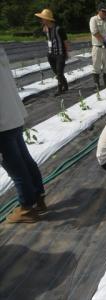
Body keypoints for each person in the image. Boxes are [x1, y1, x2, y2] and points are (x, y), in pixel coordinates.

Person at [0, 46, 46, 223]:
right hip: (13, 115)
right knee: (25, 160)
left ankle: (27, 208)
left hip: (2, 123)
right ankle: (39, 197)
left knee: (16, 169)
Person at [34, 8, 69, 96]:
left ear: (47, 19)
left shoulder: (59, 29)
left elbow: (65, 42)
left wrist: (66, 53)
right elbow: (49, 40)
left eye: (42, 18)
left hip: (60, 54)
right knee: (56, 72)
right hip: (51, 54)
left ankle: (60, 89)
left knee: (59, 72)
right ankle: (65, 85)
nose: (41, 20)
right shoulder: (45, 29)